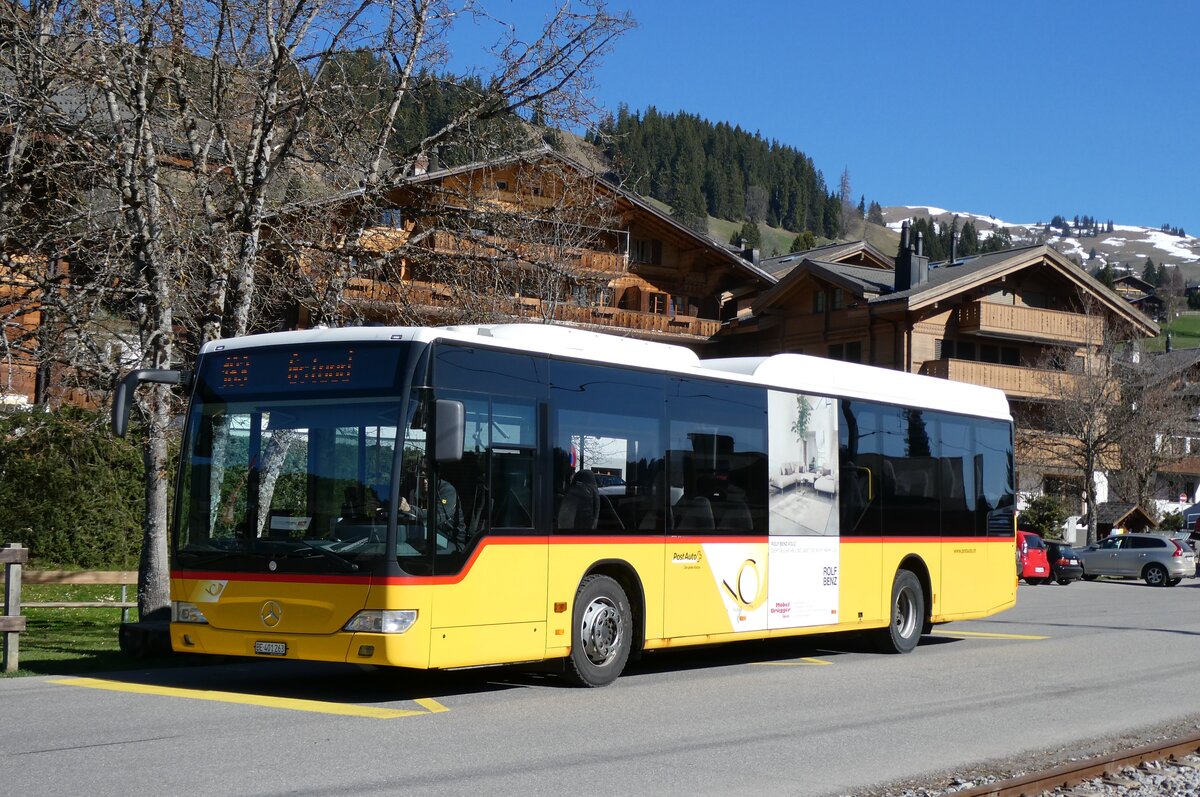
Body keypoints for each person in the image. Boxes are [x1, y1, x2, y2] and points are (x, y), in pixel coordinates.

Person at [399, 458, 466, 549]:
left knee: (404, 549)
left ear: (436, 475)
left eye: (428, 476)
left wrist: (410, 510)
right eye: (422, 476)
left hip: (450, 541)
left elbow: (437, 517)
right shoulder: (412, 490)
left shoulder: (447, 490)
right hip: (423, 536)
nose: (425, 481)